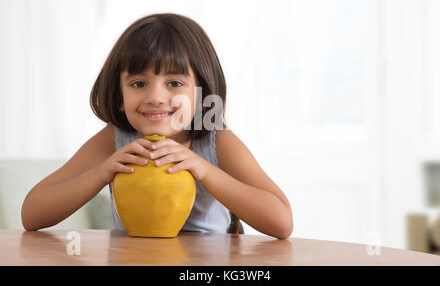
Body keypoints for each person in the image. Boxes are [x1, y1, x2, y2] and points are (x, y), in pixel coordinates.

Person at [21, 13, 293, 239]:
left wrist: (204, 169)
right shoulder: (116, 140)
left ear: (201, 94)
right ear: (119, 96)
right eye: (138, 84)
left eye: (174, 83)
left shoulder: (216, 141)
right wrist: (101, 173)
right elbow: (32, 214)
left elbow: (281, 223)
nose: (155, 98)